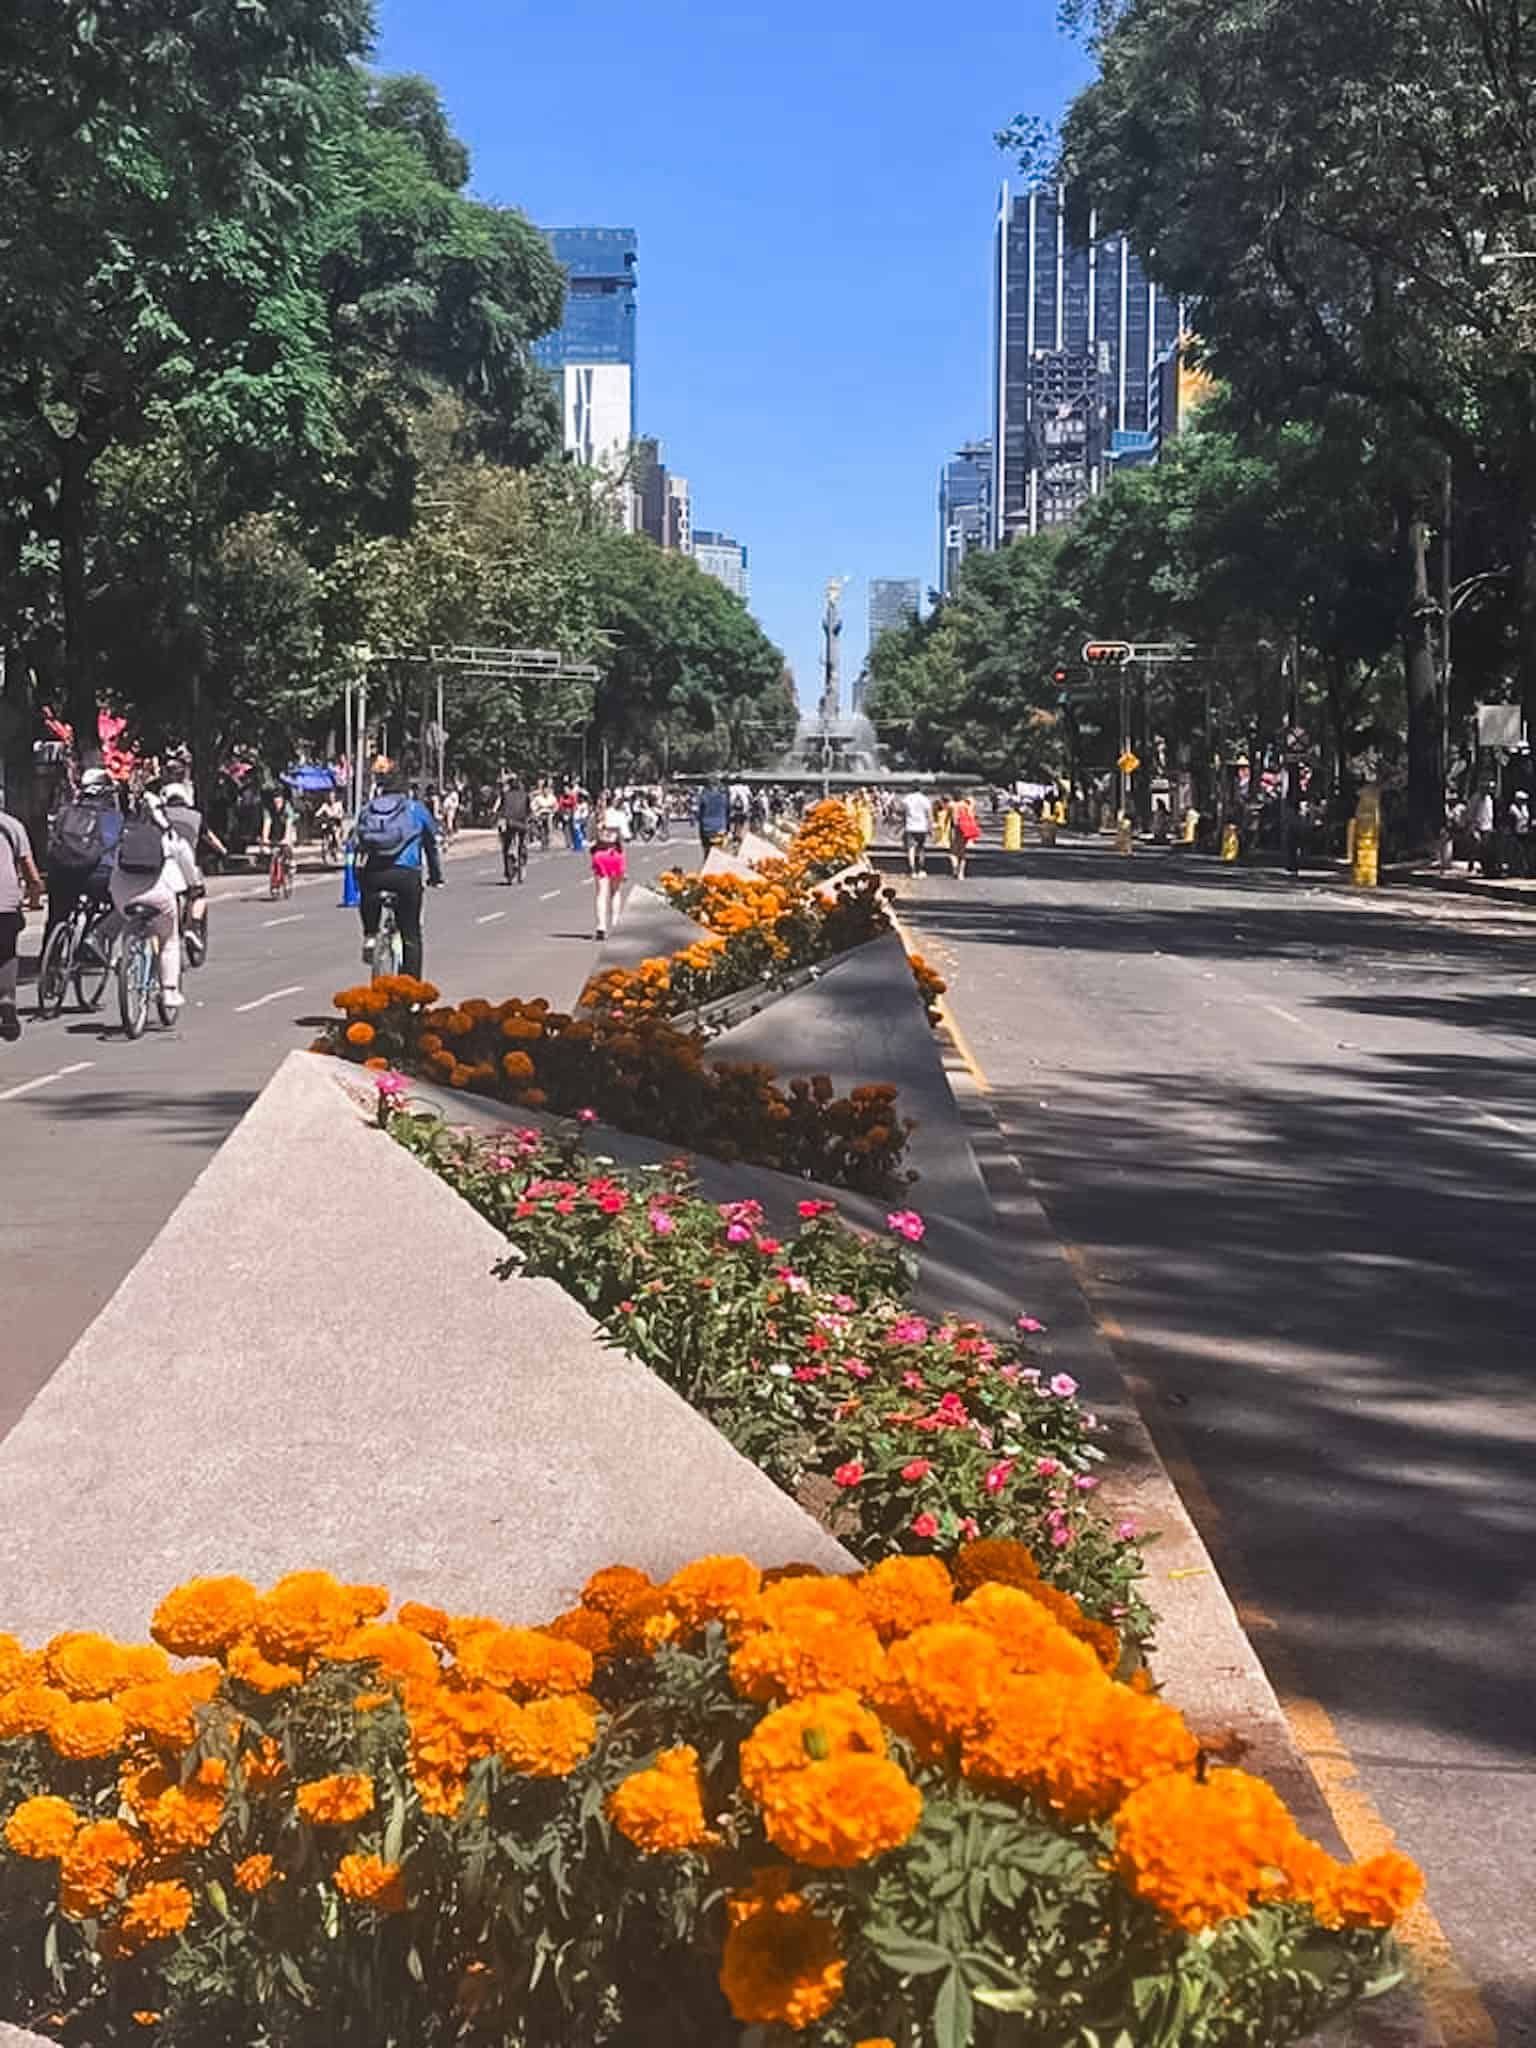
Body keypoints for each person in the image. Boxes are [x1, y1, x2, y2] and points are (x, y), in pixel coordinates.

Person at [109, 792, 199, 1015]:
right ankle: (169, 990)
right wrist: (194, 885)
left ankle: (121, 957)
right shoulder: (169, 835)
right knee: (169, 939)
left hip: (122, 895)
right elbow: (187, 864)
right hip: (158, 895)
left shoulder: (124, 832)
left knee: (126, 922)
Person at [353, 771, 443, 977]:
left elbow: (356, 841)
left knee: (369, 897)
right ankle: (412, 995)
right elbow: (431, 845)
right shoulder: (415, 809)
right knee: (411, 934)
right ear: (406, 790)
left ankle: (370, 935)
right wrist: (436, 876)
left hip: (374, 875)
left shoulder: (369, 809)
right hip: (406, 876)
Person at [44, 767, 123, 945]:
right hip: (97, 878)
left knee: (56, 916)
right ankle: (94, 939)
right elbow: (115, 850)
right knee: (122, 902)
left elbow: (52, 844)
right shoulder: (113, 818)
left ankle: (49, 960)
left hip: (61, 874)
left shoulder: (64, 812)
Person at [161, 780, 222, 957]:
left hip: (164, 861)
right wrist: (223, 851)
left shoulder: (160, 814)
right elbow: (210, 838)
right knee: (198, 893)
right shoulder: (196, 816)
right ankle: (193, 927)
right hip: (187, 860)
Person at [0, 799, 44, 1041]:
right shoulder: (13, 826)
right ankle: (6, 999)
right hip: (5, 903)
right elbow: (30, 870)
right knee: (6, 952)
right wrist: (35, 896)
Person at [591, 795, 628, 939]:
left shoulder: (594, 817)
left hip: (600, 854)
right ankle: (615, 923)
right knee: (616, 892)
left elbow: (589, 837)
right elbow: (625, 835)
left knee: (601, 892)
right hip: (615, 853)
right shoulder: (619, 816)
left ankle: (601, 926)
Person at [497, 775, 531, 883]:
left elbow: (501, 809)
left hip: (509, 824)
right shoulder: (525, 795)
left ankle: (508, 874)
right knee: (523, 844)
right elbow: (529, 810)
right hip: (522, 824)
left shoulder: (505, 795)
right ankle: (522, 865)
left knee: (506, 847)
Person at [902, 787, 934, 877]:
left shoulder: (907, 799)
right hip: (921, 827)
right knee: (921, 849)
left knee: (911, 849)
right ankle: (921, 869)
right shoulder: (925, 799)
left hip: (910, 826)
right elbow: (929, 815)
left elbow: (903, 813)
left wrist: (904, 824)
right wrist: (930, 827)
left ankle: (912, 870)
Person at [951, 792, 981, 879]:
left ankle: (955, 868)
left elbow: (955, 820)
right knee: (962, 852)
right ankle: (961, 873)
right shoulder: (966, 805)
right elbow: (972, 816)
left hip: (958, 829)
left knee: (953, 852)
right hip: (967, 829)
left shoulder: (955, 806)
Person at [697, 779, 729, 856]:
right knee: (720, 854)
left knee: (707, 853)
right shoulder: (724, 797)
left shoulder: (703, 796)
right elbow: (728, 812)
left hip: (706, 829)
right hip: (720, 828)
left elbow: (700, 815)